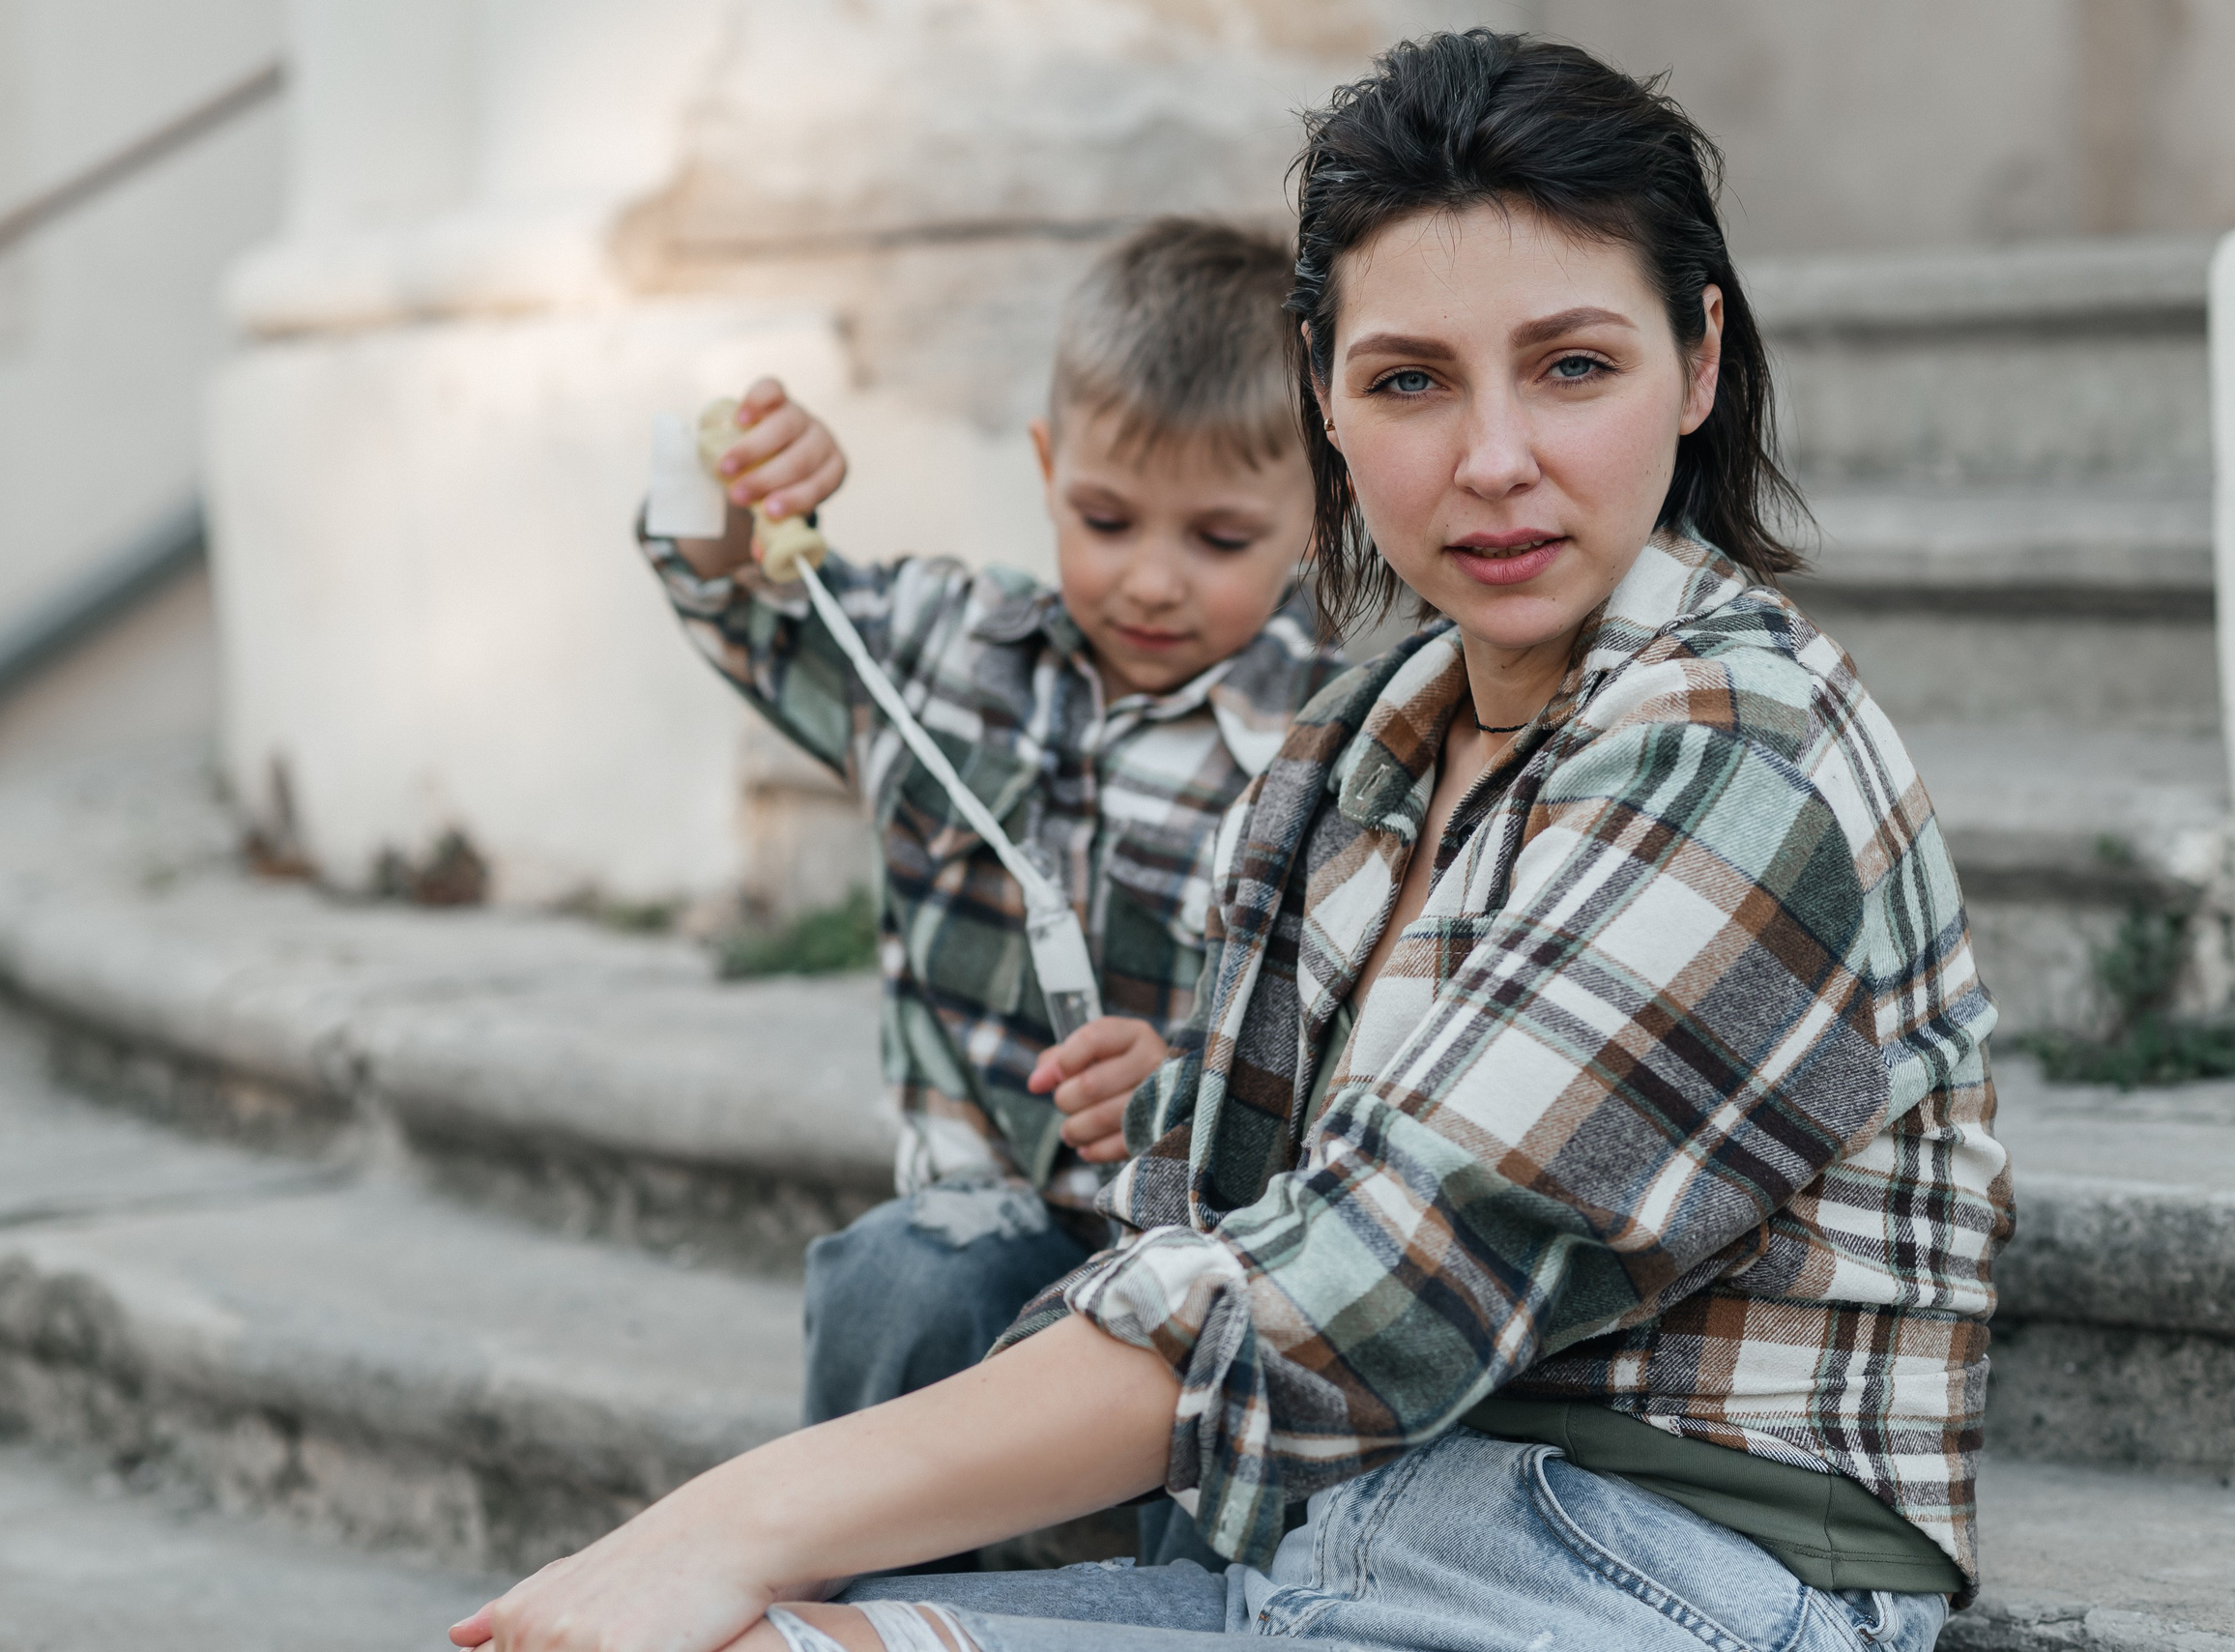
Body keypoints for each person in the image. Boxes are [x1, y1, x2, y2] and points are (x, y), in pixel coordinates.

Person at [458, 30, 2011, 1652]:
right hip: (1321, 1538)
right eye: (1409, 379)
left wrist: (728, 1521)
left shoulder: (1738, 751)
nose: (1491, 461)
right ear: (1326, 402)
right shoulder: (1364, 742)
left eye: (1572, 366)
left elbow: (1366, 1279)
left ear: (1695, 363)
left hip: (1647, 1573)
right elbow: (1199, 1229)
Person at [636, 218, 1342, 1559]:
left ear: (1318, 514)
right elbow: (721, 589)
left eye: (1219, 536)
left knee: (1267, 1428)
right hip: (988, 1223)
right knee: (901, 1273)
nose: (1149, 576)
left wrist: (1192, 1089)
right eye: (1106, 517)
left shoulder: (1340, 742)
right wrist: (739, 487)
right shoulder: (945, 651)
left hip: (1212, 1256)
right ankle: (849, 1585)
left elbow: (1375, 1038)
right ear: (1044, 467)